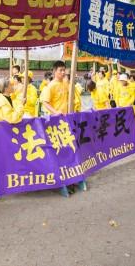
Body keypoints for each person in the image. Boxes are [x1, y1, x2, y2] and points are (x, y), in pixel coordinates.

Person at [40, 61, 85, 196]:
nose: (63, 72)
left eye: (64, 70)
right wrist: (55, 112)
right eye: (60, 70)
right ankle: (64, 181)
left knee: (69, 150)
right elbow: (45, 102)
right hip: (55, 124)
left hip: (67, 122)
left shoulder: (65, 84)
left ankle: (72, 179)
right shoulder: (50, 86)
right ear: (54, 71)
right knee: (60, 152)